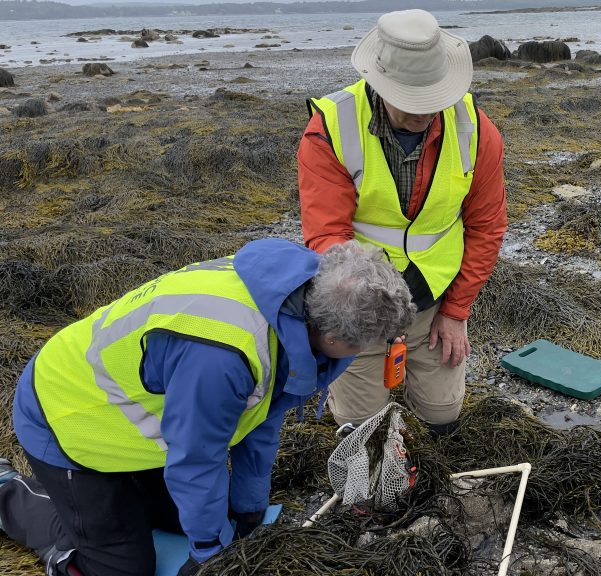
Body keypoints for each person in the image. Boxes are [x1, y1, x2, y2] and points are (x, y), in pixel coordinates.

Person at [0, 238, 417, 576]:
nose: (365, 352)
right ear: (332, 334)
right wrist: (209, 556)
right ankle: (10, 492)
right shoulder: (223, 355)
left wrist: (249, 506)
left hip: (141, 418)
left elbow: (261, 420)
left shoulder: (298, 299)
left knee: (186, 517)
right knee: (122, 565)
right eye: (364, 344)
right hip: (67, 415)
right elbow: (198, 459)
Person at [298, 9, 507, 435]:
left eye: (433, 99)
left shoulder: (477, 131)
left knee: (442, 417)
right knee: (360, 425)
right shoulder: (331, 128)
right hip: (361, 302)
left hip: (435, 300)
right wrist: (358, 312)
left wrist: (457, 311)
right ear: (378, 81)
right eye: (411, 101)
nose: (423, 113)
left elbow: (487, 227)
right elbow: (326, 236)